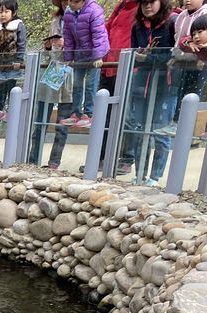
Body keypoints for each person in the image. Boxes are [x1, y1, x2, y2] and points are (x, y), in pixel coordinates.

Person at [120, 0, 177, 183]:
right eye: (144, 3)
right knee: (139, 130)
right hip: (141, 85)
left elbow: (174, 54)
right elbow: (134, 52)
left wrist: (150, 57)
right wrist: (138, 56)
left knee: (160, 133)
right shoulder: (137, 26)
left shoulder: (172, 22)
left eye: (152, 2)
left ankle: (155, 176)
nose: (148, 6)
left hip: (165, 85)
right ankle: (140, 174)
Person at [29, 0, 73, 168]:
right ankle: (34, 158)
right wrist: (48, 46)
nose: (67, 3)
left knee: (63, 122)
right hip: (53, 69)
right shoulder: (55, 21)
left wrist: (66, 45)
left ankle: (54, 161)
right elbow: (48, 50)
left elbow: (88, 47)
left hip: (71, 71)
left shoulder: (83, 19)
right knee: (41, 118)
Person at [60, 0, 110, 129]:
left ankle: (89, 113)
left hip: (95, 54)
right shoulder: (68, 13)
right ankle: (76, 112)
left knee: (90, 84)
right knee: (76, 83)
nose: (71, 4)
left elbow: (98, 35)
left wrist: (98, 56)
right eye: (69, 1)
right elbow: (68, 36)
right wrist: (68, 56)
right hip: (79, 54)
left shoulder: (94, 10)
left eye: (75, 1)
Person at [161, 0, 207, 135]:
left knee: (193, 93)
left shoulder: (204, 13)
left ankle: (186, 124)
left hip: (198, 65)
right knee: (182, 93)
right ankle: (177, 123)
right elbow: (181, 40)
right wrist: (188, 42)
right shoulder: (182, 16)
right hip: (184, 62)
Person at [0, 0, 28, 123]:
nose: (3, 14)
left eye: (6, 11)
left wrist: (19, 60)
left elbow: (21, 44)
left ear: (14, 12)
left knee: (12, 89)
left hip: (13, 64)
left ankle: (11, 112)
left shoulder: (18, 25)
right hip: (0, 65)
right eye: (1, 11)